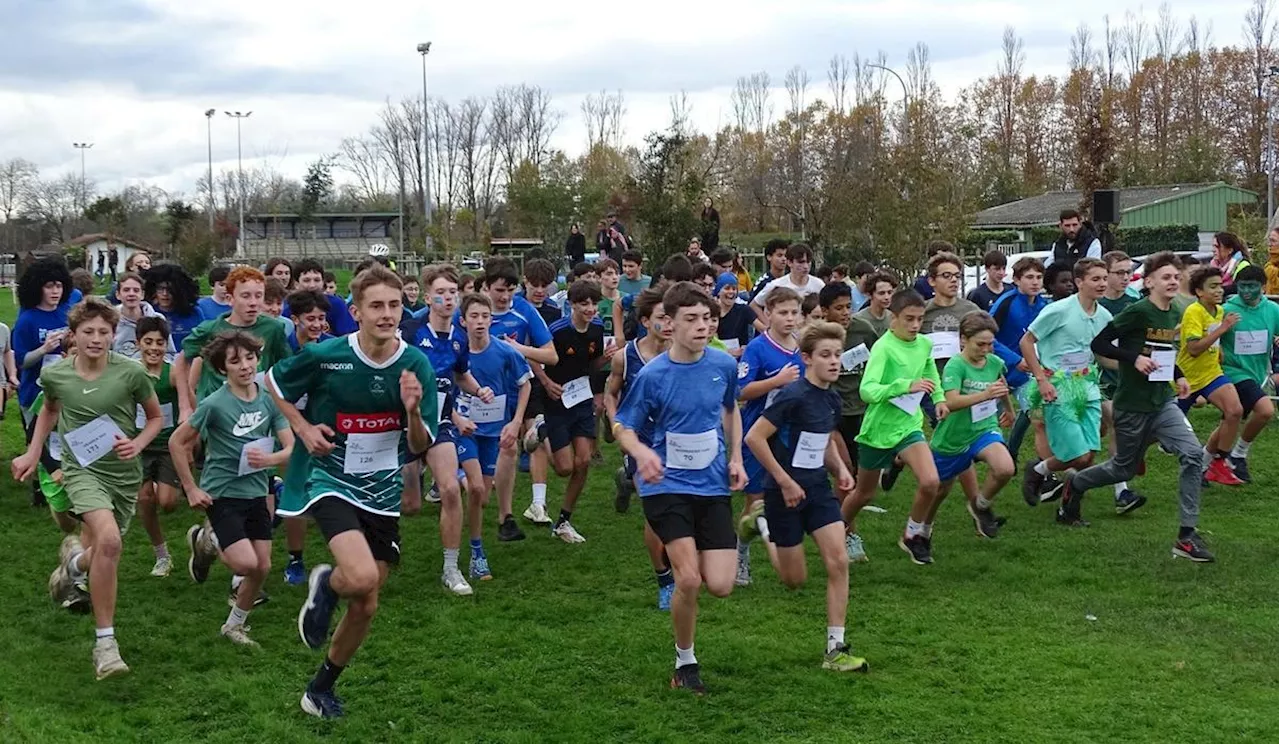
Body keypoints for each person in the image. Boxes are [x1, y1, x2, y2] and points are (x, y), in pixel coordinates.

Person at [268, 265, 438, 719]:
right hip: (331, 478)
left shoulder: (415, 364)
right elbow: (273, 382)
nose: (387, 315)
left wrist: (413, 411)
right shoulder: (327, 355)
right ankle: (325, 580)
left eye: (395, 305)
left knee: (367, 600)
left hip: (381, 488)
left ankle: (319, 688)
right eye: (377, 306)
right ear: (356, 310)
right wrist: (302, 428)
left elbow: (420, 446)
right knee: (359, 577)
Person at [11, 298, 164, 679]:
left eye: (103, 332)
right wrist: (32, 453)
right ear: (73, 336)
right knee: (110, 543)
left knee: (102, 549)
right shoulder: (57, 375)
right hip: (82, 471)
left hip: (124, 474)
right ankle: (106, 646)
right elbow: (49, 410)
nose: (96, 339)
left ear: (113, 335)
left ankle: (73, 566)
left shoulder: (131, 372)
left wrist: (139, 443)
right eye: (88, 332)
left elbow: (156, 418)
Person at [614, 281, 746, 695]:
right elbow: (624, 426)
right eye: (691, 319)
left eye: (707, 319)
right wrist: (642, 454)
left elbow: (730, 409)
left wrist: (737, 457)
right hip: (664, 483)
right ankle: (684, 662)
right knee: (688, 580)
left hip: (711, 483)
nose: (702, 326)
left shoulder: (722, 366)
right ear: (669, 324)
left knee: (721, 584)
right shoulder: (653, 375)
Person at [1060, 252, 1214, 562]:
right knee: (1123, 468)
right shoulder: (1137, 312)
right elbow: (1100, 344)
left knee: (1193, 454)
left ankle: (1186, 535)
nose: (1172, 281)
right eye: (1165, 277)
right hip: (1132, 405)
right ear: (1148, 282)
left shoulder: (1174, 313)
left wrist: (1179, 376)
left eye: (1175, 277)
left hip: (1163, 402)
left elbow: (1163, 352)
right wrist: (1134, 359)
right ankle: (1075, 484)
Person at [741, 321, 867, 672]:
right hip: (783, 494)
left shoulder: (831, 397)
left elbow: (822, 439)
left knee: (838, 561)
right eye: (825, 355)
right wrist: (783, 482)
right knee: (793, 580)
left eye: (838, 355)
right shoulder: (792, 396)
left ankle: (835, 650)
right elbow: (754, 438)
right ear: (807, 358)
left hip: (818, 491)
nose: (834, 361)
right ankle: (762, 522)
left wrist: (840, 468)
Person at [171, 331, 293, 647]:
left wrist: (271, 458)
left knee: (262, 566)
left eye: (250, 358)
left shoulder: (269, 400)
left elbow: (290, 447)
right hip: (221, 493)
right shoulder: (214, 404)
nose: (245, 366)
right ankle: (210, 537)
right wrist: (190, 489)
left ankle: (234, 625)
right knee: (245, 564)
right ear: (222, 369)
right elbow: (177, 442)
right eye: (235, 361)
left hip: (256, 491)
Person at [841, 289, 947, 565]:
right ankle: (836, 528)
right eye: (909, 319)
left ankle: (912, 536)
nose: (914, 325)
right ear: (893, 319)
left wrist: (939, 398)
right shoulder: (884, 348)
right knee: (864, 493)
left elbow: (928, 369)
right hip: (878, 430)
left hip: (909, 425)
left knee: (931, 481)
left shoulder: (923, 344)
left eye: (919, 319)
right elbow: (867, 390)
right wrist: (903, 386)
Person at [410, 265, 495, 593]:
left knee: (449, 489)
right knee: (410, 505)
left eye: (452, 292)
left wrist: (477, 390)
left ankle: (451, 568)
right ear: (428, 297)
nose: (447, 298)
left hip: (439, 422)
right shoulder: (411, 331)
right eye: (441, 293)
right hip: (403, 423)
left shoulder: (459, 340)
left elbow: (459, 376)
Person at [1019, 258, 1117, 510]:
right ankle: (1039, 473)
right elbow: (1026, 342)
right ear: (1079, 282)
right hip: (1057, 388)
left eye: (1104, 278)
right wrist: (1042, 380)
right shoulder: (1059, 310)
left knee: (1088, 456)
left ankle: (1048, 480)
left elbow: (1101, 355)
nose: (1102, 284)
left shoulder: (1104, 315)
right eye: (1095, 279)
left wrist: (1134, 363)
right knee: (1078, 455)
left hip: (1088, 387)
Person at [472, 258, 558, 540]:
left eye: (510, 290)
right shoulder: (472, 312)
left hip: (518, 389)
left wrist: (518, 348)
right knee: (480, 490)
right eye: (499, 290)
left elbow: (551, 355)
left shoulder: (525, 312)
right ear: (485, 287)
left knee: (509, 447)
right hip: (478, 394)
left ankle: (507, 517)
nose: (505, 296)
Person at [604, 286, 675, 608]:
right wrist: (616, 424)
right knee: (657, 515)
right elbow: (611, 393)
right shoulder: (625, 356)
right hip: (639, 442)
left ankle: (624, 480)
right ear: (646, 321)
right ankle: (664, 578)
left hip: (676, 440)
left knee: (680, 508)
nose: (670, 323)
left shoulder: (682, 352)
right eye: (662, 317)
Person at [524, 280, 608, 542]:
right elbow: (533, 356)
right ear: (571, 304)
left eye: (594, 303)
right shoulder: (557, 331)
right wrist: (547, 383)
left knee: (583, 461)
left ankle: (563, 521)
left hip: (581, 401)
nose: (591, 309)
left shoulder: (596, 328)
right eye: (584, 304)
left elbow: (593, 363)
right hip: (557, 401)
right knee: (563, 468)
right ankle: (542, 429)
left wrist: (606, 360)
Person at [457, 293, 532, 580]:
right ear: (463, 321)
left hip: (492, 432)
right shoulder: (457, 352)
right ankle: (477, 553)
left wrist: (515, 423)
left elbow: (525, 385)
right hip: (463, 429)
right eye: (474, 316)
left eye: (485, 316)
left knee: (482, 495)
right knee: (476, 489)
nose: (480, 322)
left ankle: (459, 476)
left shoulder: (505, 352)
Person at [735, 286, 804, 584]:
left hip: (789, 433)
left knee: (786, 494)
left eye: (794, 313)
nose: (790, 319)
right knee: (756, 499)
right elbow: (741, 391)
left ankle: (786, 549)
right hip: (757, 430)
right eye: (783, 312)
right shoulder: (757, 348)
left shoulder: (802, 346)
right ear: (769, 313)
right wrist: (776, 381)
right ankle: (741, 556)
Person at [928, 312, 1016, 540]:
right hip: (954, 436)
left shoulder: (995, 362)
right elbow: (951, 402)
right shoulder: (955, 366)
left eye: (990, 344)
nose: (986, 350)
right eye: (980, 344)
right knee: (939, 491)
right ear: (963, 340)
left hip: (984, 429)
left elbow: (1000, 382)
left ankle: (980, 505)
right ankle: (921, 530)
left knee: (1005, 468)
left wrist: (1008, 409)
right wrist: (984, 395)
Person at [175, 266, 293, 422]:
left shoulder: (273, 328)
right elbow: (182, 360)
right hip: (218, 414)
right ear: (230, 299)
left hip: (256, 412)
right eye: (245, 296)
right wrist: (185, 406)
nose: (253, 303)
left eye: (259, 296)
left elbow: (284, 366)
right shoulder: (211, 330)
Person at [1209, 265, 1280, 482]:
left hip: (1256, 372)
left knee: (1229, 420)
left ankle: (1202, 464)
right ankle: (1238, 454)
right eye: (1242, 286)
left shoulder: (1272, 310)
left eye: (1252, 286)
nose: (1247, 291)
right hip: (1232, 372)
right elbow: (1212, 340)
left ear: (1263, 286)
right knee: (1266, 410)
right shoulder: (1227, 309)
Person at [1176, 266, 1245, 486]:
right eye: (1212, 287)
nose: (1219, 291)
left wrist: (1219, 351)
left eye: (1220, 286)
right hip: (1187, 378)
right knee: (1159, 432)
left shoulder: (1220, 311)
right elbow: (1194, 349)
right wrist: (1222, 329)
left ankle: (1217, 463)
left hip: (1211, 374)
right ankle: (1131, 457)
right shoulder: (1194, 311)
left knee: (1235, 411)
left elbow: (1212, 341)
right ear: (1199, 291)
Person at [131, 316, 181, 578]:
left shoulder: (172, 372)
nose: (154, 348)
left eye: (160, 343)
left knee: (168, 502)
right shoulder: (131, 372)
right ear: (137, 343)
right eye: (148, 342)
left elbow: (187, 404)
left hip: (168, 445)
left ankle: (174, 485)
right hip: (139, 445)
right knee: (145, 498)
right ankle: (161, 554)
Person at [12, 258, 73, 421]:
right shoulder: (26, 320)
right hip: (34, 393)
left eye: (59, 286)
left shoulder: (68, 313)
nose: (55, 291)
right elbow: (21, 362)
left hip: (64, 391)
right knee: (37, 442)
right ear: (37, 288)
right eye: (49, 286)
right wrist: (43, 349)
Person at [750, 243, 825, 321]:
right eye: (800, 262)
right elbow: (754, 305)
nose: (806, 266)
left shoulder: (818, 284)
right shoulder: (777, 285)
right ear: (789, 262)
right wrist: (766, 326)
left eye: (808, 262)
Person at [113, 272, 175, 360]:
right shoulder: (110, 321)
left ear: (142, 295)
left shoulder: (157, 319)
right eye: (126, 290)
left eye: (136, 290)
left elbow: (170, 354)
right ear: (118, 295)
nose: (131, 294)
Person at [989, 257, 1047, 351]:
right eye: (1029, 277)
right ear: (1017, 280)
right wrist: (1014, 360)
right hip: (1008, 364)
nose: (1035, 282)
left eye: (1039, 277)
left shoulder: (1045, 306)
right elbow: (987, 336)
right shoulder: (1006, 303)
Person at [289, 259, 358, 335]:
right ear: (296, 284)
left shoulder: (336, 304)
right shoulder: (288, 306)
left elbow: (348, 335)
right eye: (306, 280)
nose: (312, 285)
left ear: (322, 282)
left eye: (317, 280)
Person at [145, 264, 205, 349]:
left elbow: (203, 341)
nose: (165, 294)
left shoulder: (194, 312)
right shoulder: (148, 313)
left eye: (170, 289)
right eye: (160, 288)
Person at [714, 273, 752, 357]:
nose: (731, 292)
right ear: (718, 292)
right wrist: (726, 351)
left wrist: (749, 347)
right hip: (719, 356)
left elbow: (762, 328)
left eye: (734, 289)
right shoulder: (712, 311)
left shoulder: (743, 309)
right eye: (727, 288)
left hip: (740, 356)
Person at [1264, 226, 1280, 296]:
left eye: (1273, 241)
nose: (1270, 244)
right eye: (1269, 241)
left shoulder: (1270, 269)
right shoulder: (1270, 264)